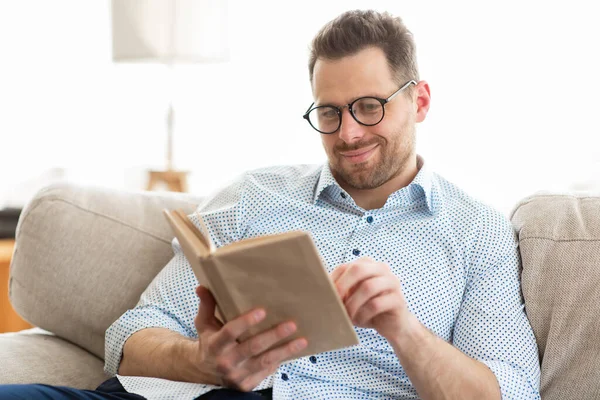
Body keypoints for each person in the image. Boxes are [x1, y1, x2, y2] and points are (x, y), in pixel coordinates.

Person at [0, 9, 540, 400]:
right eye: (328, 113)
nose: (347, 133)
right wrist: (202, 361)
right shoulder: (254, 195)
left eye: (369, 107)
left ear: (419, 101)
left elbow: (510, 394)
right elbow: (132, 333)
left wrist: (404, 329)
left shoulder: (478, 233)